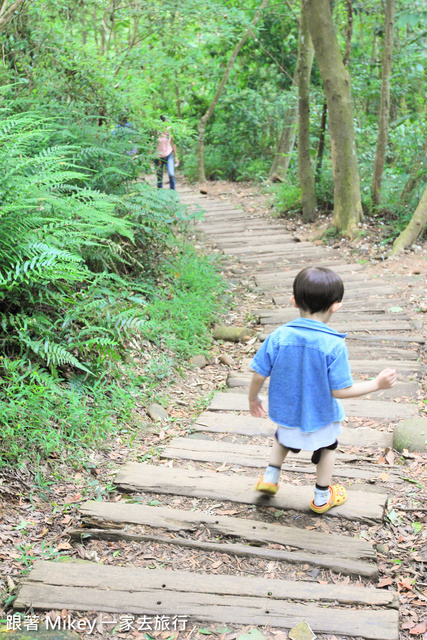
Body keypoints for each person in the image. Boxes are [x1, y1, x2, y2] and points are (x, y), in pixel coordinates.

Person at [248, 266, 397, 514]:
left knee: (282, 438)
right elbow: (339, 391)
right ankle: (321, 497)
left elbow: (259, 372)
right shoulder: (334, 345)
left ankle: (270, 478)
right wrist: (376, 384)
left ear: (293, 300)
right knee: (328, 448)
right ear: (336, 305)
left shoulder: (278, 336)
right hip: (321, 416)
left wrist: (253, 398)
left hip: (286, 414)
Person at [154, 115, 179, 190]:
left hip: (168, 155)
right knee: (159, 177)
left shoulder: (170, 130)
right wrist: (150, 159)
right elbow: (152, 144)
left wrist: (176, 157)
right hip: (158, 156)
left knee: (171, 174)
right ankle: (160, 195)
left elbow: (173, 143)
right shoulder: (155, 131)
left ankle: (173, 194)